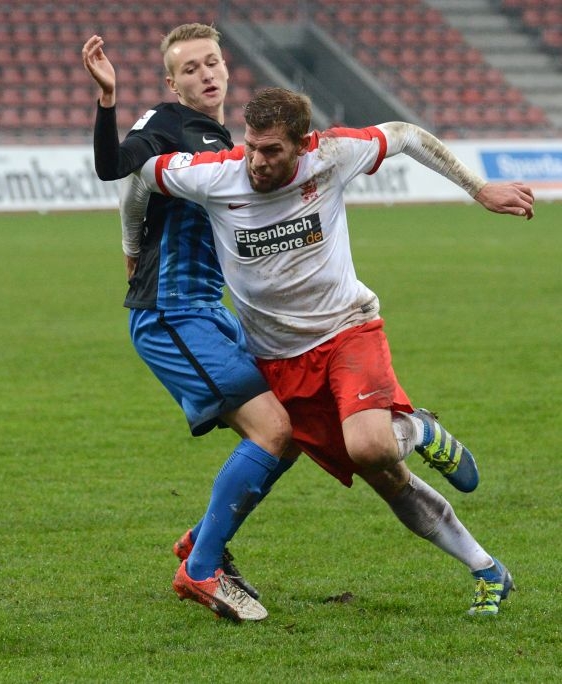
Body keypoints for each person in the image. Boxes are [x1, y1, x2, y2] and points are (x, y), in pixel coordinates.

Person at [119, 86, 530, 617]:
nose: (257, 162)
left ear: (303, 144)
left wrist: (479, 190)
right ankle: (487, 570)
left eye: (272, 152)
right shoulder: (215, 173)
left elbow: (405, 136)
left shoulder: (332, 155)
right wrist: (132, 251)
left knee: (370, 448)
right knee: (386, 477)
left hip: (346, 332)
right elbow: (138, 174)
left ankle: (420, 429)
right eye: (251, 147)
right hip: (279, 359)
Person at [82, 25, 295, 621]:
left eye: (212, 63)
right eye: (191, 68)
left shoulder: (228, 137)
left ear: (227, 68)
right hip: (171, 312)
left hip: (206, 311)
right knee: (274, 431)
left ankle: (200, 544)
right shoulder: (166, 123)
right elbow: (114, 169)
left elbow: (141, 202)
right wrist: (107, 100)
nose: (206, 74)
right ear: (173, 82)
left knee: (290, 427)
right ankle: (200, 570)